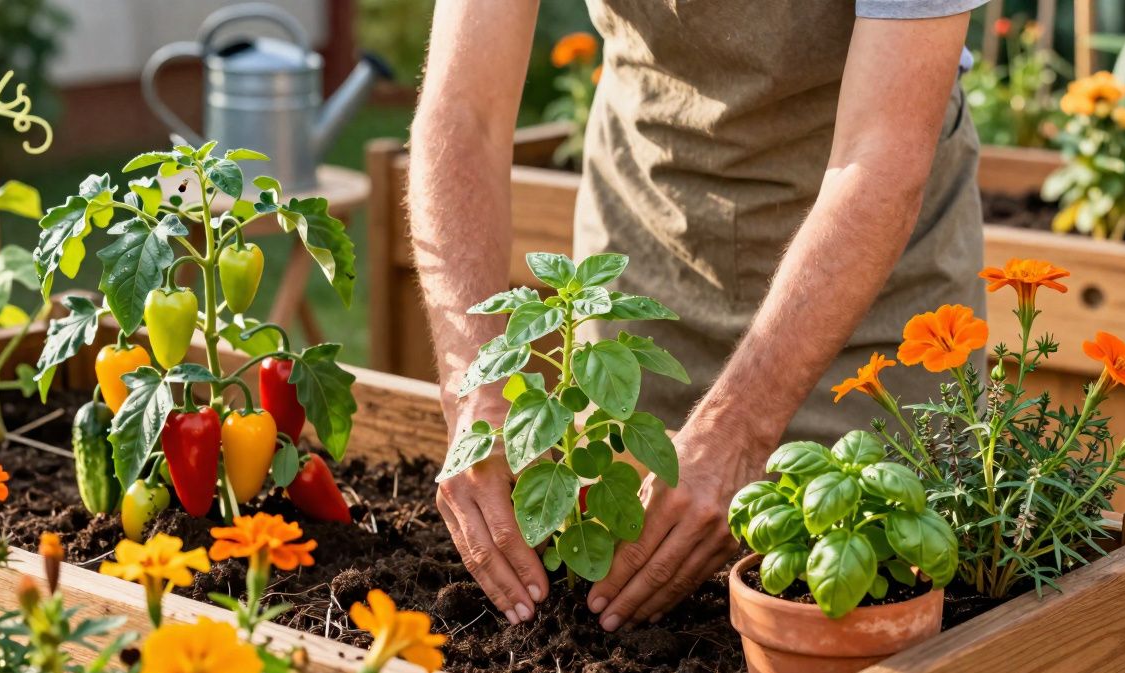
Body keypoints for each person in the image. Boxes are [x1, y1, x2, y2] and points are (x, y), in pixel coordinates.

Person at [407, 1, 988, 631]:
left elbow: (882, 151)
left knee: (882, 609)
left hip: (869, 281)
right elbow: (465, 114)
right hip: (649, 230)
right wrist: (475, 393)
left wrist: (737, 431)